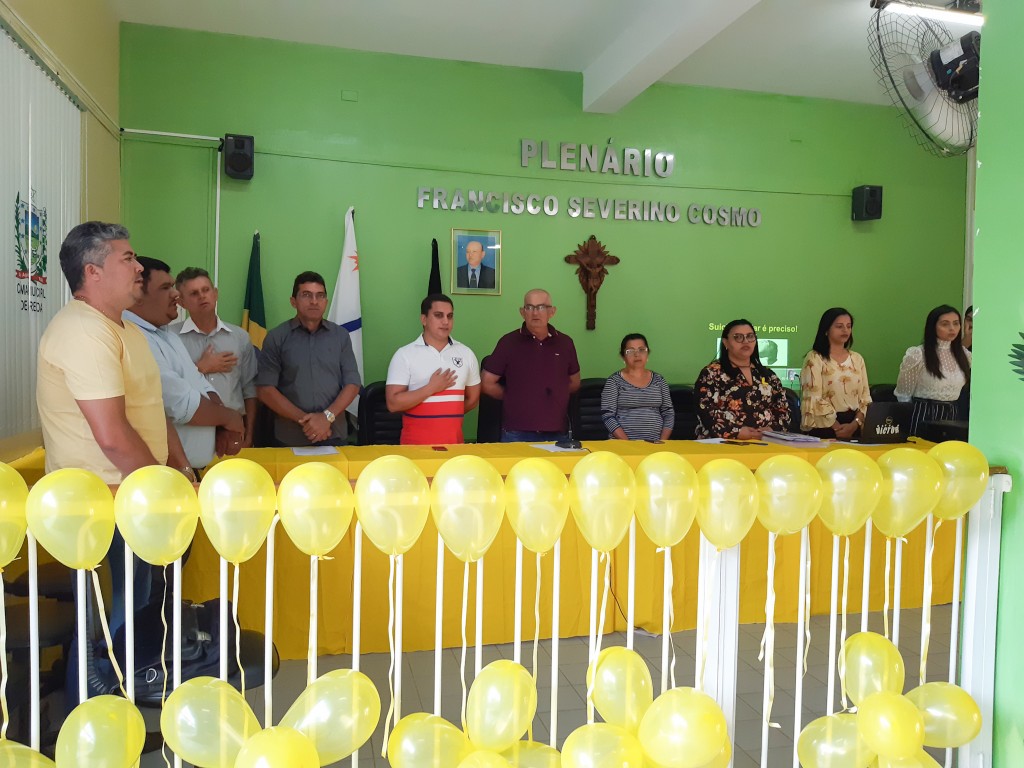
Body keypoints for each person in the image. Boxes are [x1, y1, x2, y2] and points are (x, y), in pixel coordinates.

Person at [36, 222, 188, 708]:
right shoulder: (83, 331)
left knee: (133, 610)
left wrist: (179, 468)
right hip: (103, 506)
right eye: (128, 259)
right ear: (93, 271)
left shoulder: (124, 328)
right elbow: (113, 435)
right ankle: (92, 713)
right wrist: (161, 491)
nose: (139, 266)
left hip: (132, 497)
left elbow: (152, 410)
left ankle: (119, 704)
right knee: (107, 622)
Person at [125, 257, 244, 470]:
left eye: (172, 286)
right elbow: (180, 404)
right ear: (137, 295)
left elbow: (202, 385)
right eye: (165, 288)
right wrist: (229, 417)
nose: (175, 294)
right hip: (167, 473)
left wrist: (221, 425)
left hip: (189, 470)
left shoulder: (166, 335)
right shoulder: (134, 337)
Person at [256, 270, 361, 446]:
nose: (314, 301)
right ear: (293, 301)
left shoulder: (340, 336)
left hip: (334, 434)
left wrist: (326, 418)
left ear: (326, 301)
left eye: (320, 296)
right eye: (306, 295)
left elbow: (353, 384)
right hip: (290, 437)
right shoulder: (277, 337)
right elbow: (265, 390)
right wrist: (309, 422)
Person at [171, 267, 258, 448]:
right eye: (194, 293)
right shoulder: (170, 338)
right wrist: (200, 368)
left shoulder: (240, 337)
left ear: (215, 294)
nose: (202, 296)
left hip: (233, 428)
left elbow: (249, 389)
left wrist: (249, 434)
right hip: (188, 428)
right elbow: (165, 387)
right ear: (181, 302)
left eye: (206, 290)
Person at [481, 288, 580, 442]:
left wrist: (554, 395)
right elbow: (487, 383)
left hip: (557, 430)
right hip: (517, 431)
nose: (535, 313)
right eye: (529, 307)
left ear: (552, 312)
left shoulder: (565, 343)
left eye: (541, 307)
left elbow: (574, 382)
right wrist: (513, 397)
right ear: (522, 312)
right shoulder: (508, 342)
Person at [385, 294, 481, 444]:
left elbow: (473, 400)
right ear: (424, 319)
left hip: (455, 447)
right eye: (438, 315)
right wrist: (431, 388)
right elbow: (393, 404)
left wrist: (446, 415)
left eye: (450, 316)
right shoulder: (404, 355)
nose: (445, 321)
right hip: (415, 448)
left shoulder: (466, 353)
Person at [695, 319, 790, 439]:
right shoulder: (712, 373)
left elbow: (783, 409)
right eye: (738, 337)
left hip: (765, 442)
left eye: (750, 336)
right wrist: (736, 432)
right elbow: (705, 410)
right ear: (725, 342)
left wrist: (772, 430)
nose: (745, 341)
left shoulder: (768, 375)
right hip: (722, 443)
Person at [895, 304, 971, 435]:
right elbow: (903, 395)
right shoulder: (918, 354)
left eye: (956, 323)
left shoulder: (964, 355)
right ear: (933, 326)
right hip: (923, 414)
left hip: (952, 415)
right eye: (945, 324)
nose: (952, 328)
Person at [800, 307, 871, 440]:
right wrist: (836, 427)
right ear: (826, 330)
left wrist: (854, 424)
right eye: (839, 326)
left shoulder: (857, 359)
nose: (845, 330)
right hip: (825, 427)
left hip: (854, 426)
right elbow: (813, 398)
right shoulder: (815, 358)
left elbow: (865, 397)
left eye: (848, 326)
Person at [601, 333, 674, 441]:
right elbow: (607, 416)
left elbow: (668, 413)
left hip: (655, 444)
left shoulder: (659, 380)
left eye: (641, 350)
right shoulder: (614, 381)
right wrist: (628, 444)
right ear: (623, 356)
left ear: (648, 353)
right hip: (622, 445)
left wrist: (662, 442)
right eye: (630, 351)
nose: (637, 354)